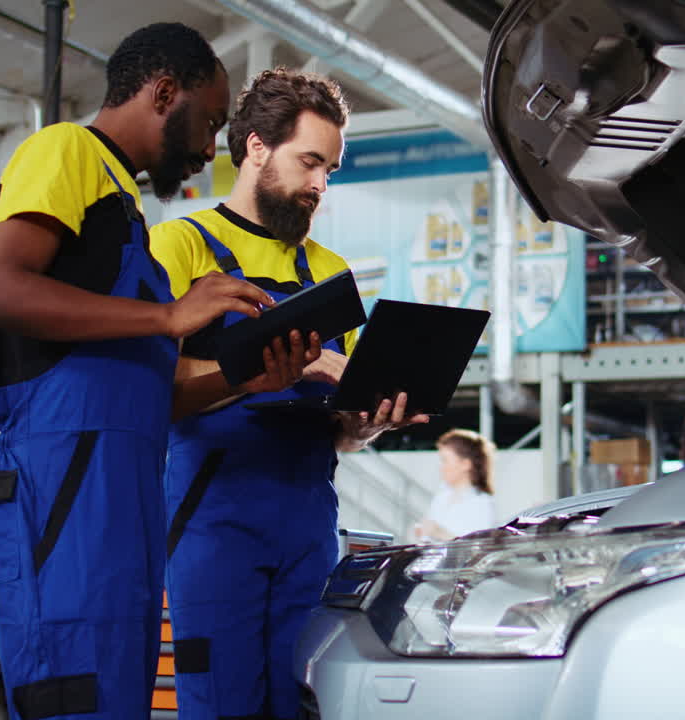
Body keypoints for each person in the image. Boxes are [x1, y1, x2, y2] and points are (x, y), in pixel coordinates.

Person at [0, 25, 317, 720]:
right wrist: (166, 319)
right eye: (212, 121)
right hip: (63, 499)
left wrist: (250, 379)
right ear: (164, 92)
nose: (210, 147)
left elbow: (148, 398)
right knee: (70, 702)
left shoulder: (126, 221)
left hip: (122, 514)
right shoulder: (63, 150)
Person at [149, 67, 427, 720]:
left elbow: (342, 430)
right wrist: (250, 375)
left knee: (303, 706)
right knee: (222, 708)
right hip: (215, 522)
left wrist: (368, 422)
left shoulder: (330, 273)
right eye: (309, 163)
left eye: (329, 170)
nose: (319, 186)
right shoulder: (181, 247)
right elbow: (150, 398)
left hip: (308, 524)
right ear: (255, 148)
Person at [413, 428, 497, 542]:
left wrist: (439, 532)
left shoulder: (482, 502)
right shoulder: (442, 496)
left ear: (465, 464)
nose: (441, 467)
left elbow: (478, 548)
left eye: (445, 460)